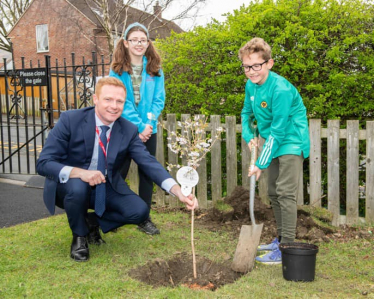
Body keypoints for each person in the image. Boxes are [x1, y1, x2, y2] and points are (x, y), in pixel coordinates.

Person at [36, 77, 198, 262]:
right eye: (108, 99)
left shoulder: (127, 129)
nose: (114, 106)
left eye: (119, 101)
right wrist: (81, 173)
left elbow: (147, 162)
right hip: (69, 187)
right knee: (78, 186)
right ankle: (80, 237)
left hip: (106, 185)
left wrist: (178, 191)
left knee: (140, 211)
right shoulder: (71, 119)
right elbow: (44, 163)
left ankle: (90, 222)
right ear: (95, 99)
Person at [239, 38, 310, 265]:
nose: (251, 72)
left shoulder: (281, 90)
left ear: (269, 63)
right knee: (272, 191)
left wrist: (260, 163)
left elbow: (279, 132)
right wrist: (250, 138)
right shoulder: (251, 85)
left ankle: (287, 247)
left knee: (285, 193)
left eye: (256, 66)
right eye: (247, 67)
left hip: (291, 141)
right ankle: (280, 239)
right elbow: (246, 114)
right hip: (273, 141)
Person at [109, 22, 165, 235]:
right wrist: (140, 126)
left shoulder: (155, 68)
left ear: (148, 42)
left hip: (149, 130)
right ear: (126, 42)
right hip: (124, 129)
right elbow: (120, 102)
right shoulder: (116, 70)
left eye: (143, 40)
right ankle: (112, 215)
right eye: (134, 40)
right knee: (118, 172)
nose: (139, 43)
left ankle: (144, 218)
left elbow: (159, 100)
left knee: (147, 173)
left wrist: (148, 124)